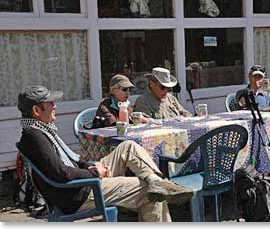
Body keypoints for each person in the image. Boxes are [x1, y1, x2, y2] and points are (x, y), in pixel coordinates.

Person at [17, 85, 193, 222]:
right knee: (150, 192)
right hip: (78, 193)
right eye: (50, 104)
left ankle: (156, 180)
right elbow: (61, 173)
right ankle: (155, 185)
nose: (55, 106)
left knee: (128, 146)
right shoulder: (34, 136)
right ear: (36, 111)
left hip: (80, 184)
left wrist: (88, 166)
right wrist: (94, 172)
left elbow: (67, 164)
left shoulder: (40, 131)